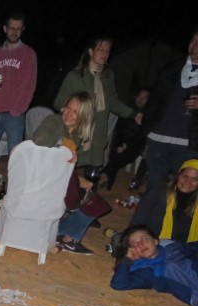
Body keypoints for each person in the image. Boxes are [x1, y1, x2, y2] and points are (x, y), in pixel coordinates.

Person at [33, 91, 112, 255]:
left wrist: (78, 177)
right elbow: (39, 140)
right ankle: (65, 219)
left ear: (83, 116)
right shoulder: (54, 121)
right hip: (42, 177)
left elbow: (66, 165)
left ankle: (67, 238)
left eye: (75, 112)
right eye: (68, 108)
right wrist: (65, 146)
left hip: (60, 179)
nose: (68, 114)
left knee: (98, 204)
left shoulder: (78, 135)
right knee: (80, 197)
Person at [54, 36, 142, 175]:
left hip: (98, 134)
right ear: (90, 51)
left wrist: (133, 114)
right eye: (101, 49)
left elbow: (112, 102)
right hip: (77, 133)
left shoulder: (108, 76)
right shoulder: (75, 76)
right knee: (66, 172)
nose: (104, 54)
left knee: (92, 175)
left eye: (107, 50)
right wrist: (78, 110)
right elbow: (59, 102)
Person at [0, 12, 37, 173]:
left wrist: (17, 110)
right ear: (5, 29)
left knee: (16, 155)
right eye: (11, 28)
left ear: (22, 30)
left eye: (18, 29)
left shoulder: (28, 54)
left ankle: (14, 189)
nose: (14, 32)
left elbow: (29, 87)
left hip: (14, 115)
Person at [142, 28, 198, 189]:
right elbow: (154, 101)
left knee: (183, 191)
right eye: (193, 40)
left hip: (190, 145)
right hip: (159, 139)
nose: (195, 45)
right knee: (154, 187)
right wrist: (145, 133)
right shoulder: (172, 67)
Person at [110, 225, 198, 306]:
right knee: (169, 267)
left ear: (155, 241)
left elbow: (192, 247)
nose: (140, 244)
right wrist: (127, 260)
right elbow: (119, 284)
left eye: (144, 239)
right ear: (133, 251)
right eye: (135, 244)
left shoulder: (172, 247)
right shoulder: (148, 271)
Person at [100, 87, 151, 190]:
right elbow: (119, 131)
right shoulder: (128, 111)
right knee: (116, 153)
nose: (140, 99)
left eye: (144, 98)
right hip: (122, 143)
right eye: (139, 96)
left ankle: (105, 175)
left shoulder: (149, 116)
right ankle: (106, 177)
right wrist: (120, 144)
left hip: (136, 147)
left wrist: (128, 145)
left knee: (118, 157)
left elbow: (143, 137)